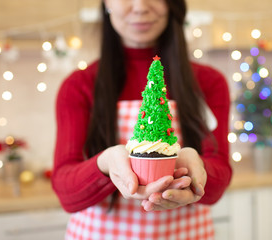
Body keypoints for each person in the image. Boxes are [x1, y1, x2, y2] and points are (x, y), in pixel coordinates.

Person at [52, 0, 232, 239]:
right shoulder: (79, 86)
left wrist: (195, 168)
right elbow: (66, 191)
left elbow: (219, 176)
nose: (139, 6)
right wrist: (104, 164)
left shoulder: (207, 82)